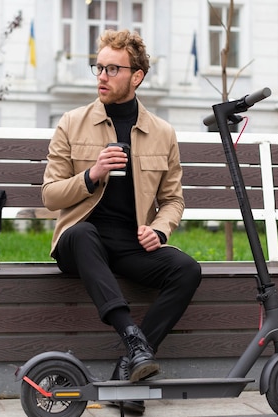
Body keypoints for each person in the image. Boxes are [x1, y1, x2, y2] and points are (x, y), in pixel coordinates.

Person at [41, 29, 202, 414]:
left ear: (137, 76)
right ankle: (133, 339)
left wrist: (160, 229)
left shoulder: (162, 133)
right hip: (79, 242)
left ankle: (125, 370)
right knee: (82, 233)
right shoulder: (72, 123)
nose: (102, 75)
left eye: (112, 68)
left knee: (187, 269)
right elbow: (49, 196)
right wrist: (91, 174)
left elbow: (173, 199)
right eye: (98, 67)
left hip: (130, 245)